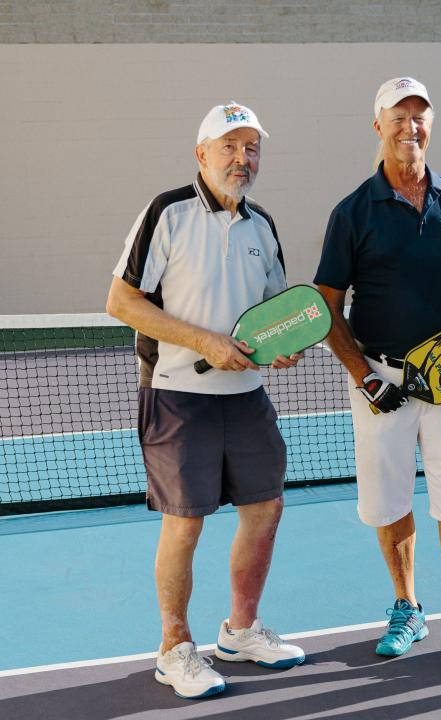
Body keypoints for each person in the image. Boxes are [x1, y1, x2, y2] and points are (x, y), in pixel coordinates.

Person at [313, 77, 441, 670]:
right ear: (378, 126)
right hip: (382, 380)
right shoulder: (352, 211)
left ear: (432, 124)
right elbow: (326, 304)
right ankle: (406, 606)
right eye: (398, 116)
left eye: (420, 116)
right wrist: (361, 373)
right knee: (390, 501)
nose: (411, 126)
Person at [106, 102, 306, 699]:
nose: (241, 159)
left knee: (266, 509)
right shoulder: (166, 213)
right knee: (185, 522)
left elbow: (274, 314)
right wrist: (204, 342)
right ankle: (175, 648)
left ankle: (240, 631)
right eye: (229, 147)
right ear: (202, 154)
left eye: (251, 148)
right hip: (177, 396)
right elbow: (121, 302)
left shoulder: (262, 226)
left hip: (247, 397)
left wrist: (282, 348)